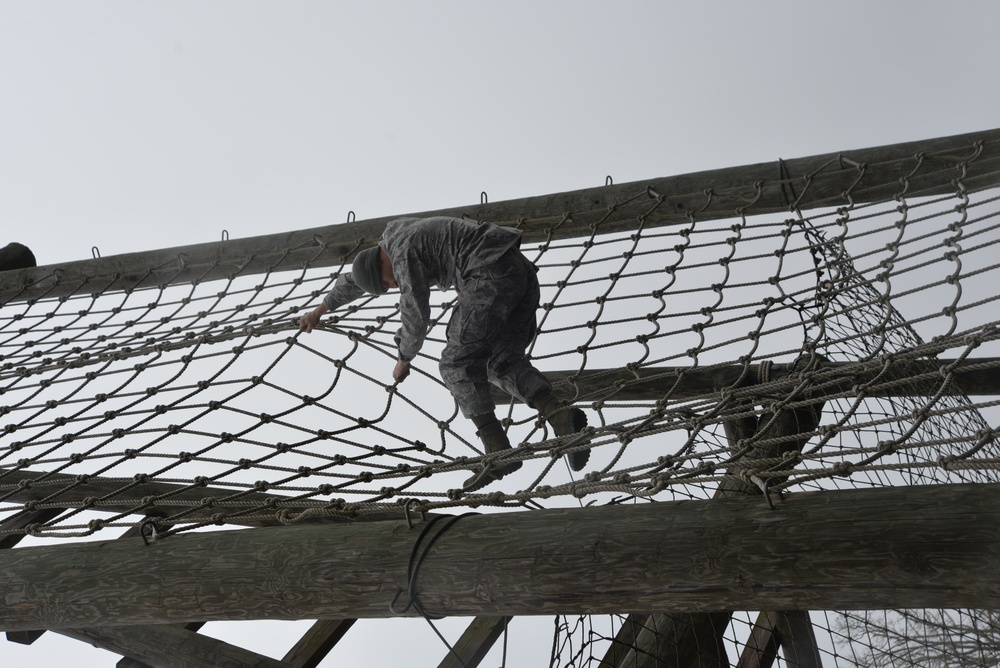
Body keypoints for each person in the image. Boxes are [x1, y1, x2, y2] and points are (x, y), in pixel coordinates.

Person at [298, 216, 590, 490]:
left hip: (486, 274)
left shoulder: (401, 254)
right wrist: (318, 311)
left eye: (388, 282)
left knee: (455, 363)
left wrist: (403, 358)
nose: (393, 285)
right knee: (497, 362)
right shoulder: (394, 243)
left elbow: (415, 316)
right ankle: (561, 418)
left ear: (382, 261)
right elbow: (353, 281)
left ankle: (498, 450)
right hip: (518, 274)